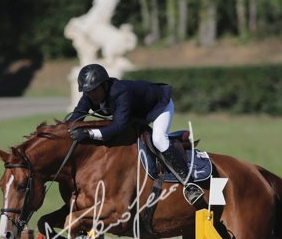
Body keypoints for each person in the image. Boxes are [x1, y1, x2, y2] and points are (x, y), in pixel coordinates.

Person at [68, 64, 202, 204]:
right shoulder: (89, 96)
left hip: (159, 106)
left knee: (158, 140)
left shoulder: (120, 91)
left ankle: (190, 185)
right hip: (135, 115)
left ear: (104, 85)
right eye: (87, 91)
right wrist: (62, 131)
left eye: (94, 90)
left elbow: (118, 126)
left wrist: (90, 133)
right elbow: (76, 117)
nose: (91, 95)